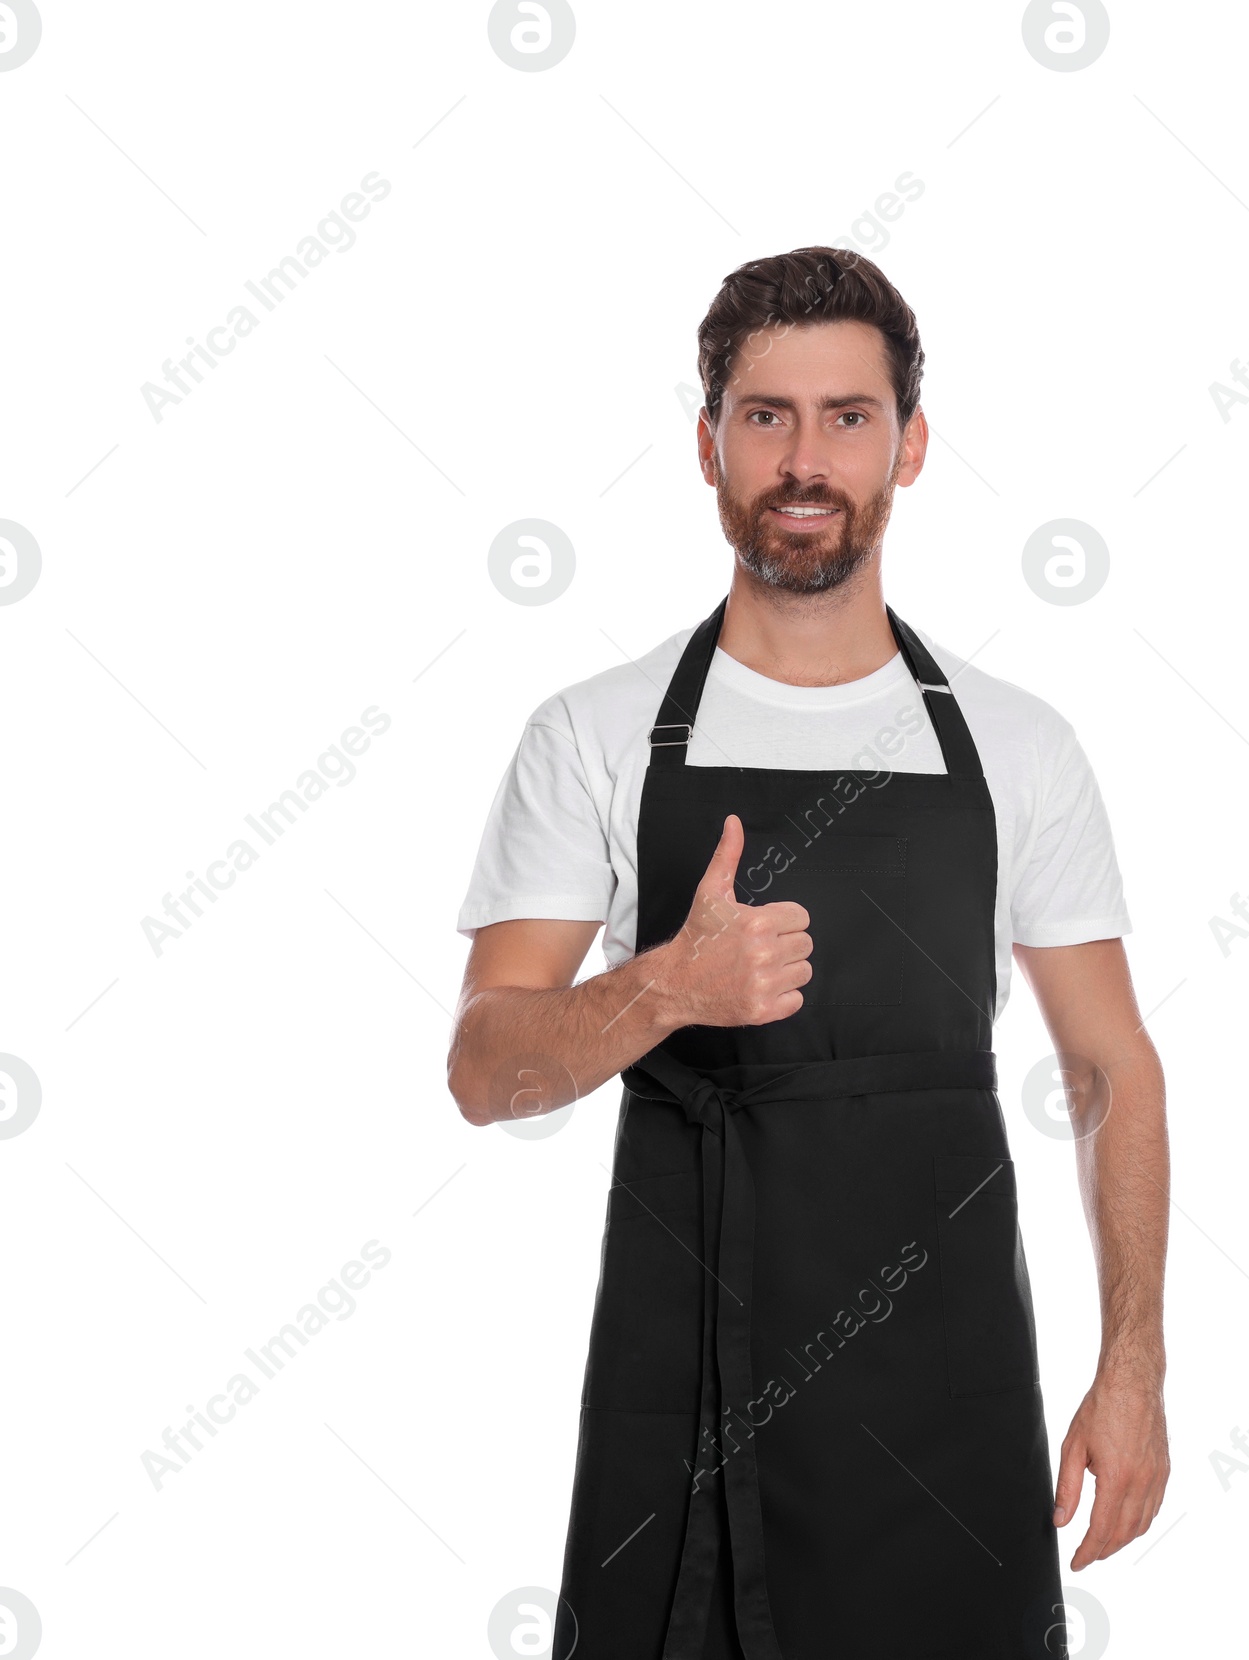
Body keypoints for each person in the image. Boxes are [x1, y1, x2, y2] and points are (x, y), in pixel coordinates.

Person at [448, 246, 1170, 1658]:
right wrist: (665, 984)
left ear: (910, 447)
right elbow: (485, 1068)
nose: (804, 458)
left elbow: (1109, 1064)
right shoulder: (589, 733)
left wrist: (1133, 1363)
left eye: (848, 416)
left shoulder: (1020, 744)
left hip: (947, 1393)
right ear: (707, 443)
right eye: (765, 415)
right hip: (688, 1383)